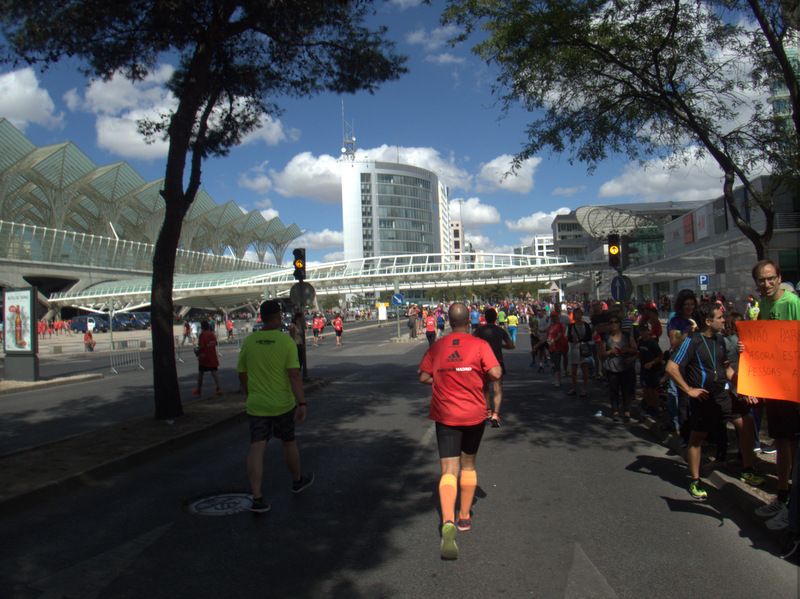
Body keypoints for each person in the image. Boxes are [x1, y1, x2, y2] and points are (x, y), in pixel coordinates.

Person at [418, 303, 502, 560]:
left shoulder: (438, 346)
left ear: (449, 321)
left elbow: (423, 377)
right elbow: (496, 372)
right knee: (468, 465)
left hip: (445, 415)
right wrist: (476, 376)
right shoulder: (479, 346)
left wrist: (442, 378)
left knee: (448, 470)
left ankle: (447, 520)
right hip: (474, 415)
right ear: (470, 321)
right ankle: (464, 516)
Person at [666, 302, 763, 500]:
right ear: (708, 321)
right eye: (719, 317)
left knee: (747, 423)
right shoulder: (692, 341)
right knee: (696, 440)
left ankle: (747, 469)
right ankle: (695, 480)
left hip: (722, 395)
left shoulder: (720, 340)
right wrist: (689, 390)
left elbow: (727, 370)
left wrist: (745, 389)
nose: (723, 320)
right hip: (703, 398)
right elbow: (671, 367)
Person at [237, 300, 313, 513]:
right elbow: (294, 375)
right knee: (289, 444)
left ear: (261, 317)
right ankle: (297, 481)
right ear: (279, 317)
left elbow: (242, 373)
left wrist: (250, 393)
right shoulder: (286, 342)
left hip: (257, 405)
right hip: (283, 404)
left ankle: (257, 497)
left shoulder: (250, 342)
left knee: (257, 447)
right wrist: (302, 403)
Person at [745, 259, 800, 530]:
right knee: (780, 441)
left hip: (792, 387)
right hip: (775, 387)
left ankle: (791, 505)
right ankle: (783, 496)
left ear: (779, 278)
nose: (766, 284)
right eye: (761, 280)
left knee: (791, 442)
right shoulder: (763, 306)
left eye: (770, 279)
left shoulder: (792, 303)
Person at [664, 289, 697, 441]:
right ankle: (683, 432)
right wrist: (687, 333)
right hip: (681, 363)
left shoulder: (698, 318)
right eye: (687, 305)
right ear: (681, 306)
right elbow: (674, 343)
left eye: (692, 304)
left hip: (696, 363)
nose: (690, 308)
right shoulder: (675, 321)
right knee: (681, 397)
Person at [473, 308, 515, 426]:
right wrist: (500, 345)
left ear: (485, 318)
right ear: (496, 317)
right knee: (498, 388)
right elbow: (511, 346)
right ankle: (496, 414)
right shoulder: (500, 330)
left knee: (485, 387)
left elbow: (471, 341)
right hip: (498, 361)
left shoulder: (480, 330)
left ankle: (488, 411)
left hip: (484, 362)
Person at [598, 314, 637, 422]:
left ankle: (627, 412)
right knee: (614, 390)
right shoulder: (606, 337)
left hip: (625, 366)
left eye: (616, 322)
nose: (614, 324)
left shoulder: (626, 335)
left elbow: (634, 349)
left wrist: (627, 350)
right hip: (612, 367)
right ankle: (615, 411)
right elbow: (601, 353)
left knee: (626, 390)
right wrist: (610, 352)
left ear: (620, 323)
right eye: (611, 322)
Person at [636, 321, 664, 418]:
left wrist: (652, 363)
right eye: (641, 331)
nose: (642, 333)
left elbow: (660, 355)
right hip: (644, 369)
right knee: (645, 389)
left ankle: (656, 408)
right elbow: (639, 353)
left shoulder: (652, 342)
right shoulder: (641, 342)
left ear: (649, 331)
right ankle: (649, 407)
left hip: (653, 370)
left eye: (644, 330)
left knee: (652, 390)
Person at [566, 307, 592, 396]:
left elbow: (589, 337)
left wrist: (580, 339)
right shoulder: (571, 326)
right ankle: (574, 388)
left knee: (584, 369)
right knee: (574, 370)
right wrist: (573, 339)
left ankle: (584, 388)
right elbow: (568, 337)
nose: (578, 315)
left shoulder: (586, 325)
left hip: (583, 347)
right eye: (576, 313)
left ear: (581, 315)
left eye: (579, 313)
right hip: (574, 348)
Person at [192, 320, 222, 396]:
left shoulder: (202, 335)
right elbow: (215, 343)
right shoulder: (212, 334)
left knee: (201, 373)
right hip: (212, 356)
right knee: (214, 372)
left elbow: (201, 346)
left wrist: (197, 351)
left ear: (202, 327)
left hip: (204, 358)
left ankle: (199, 390)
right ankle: (218, 387)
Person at [546, 310, 568, 387]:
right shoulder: (550, 326)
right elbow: (547, 336)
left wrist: (553, 341)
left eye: (554, 316)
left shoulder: (560, 325)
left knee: (557, 363)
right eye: (551, 316)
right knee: (554, 363)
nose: (553, 318)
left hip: (558, 346)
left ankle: (558, 379)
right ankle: (557, 378)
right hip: (551, 347)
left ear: (557, 317)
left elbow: (560, 335)